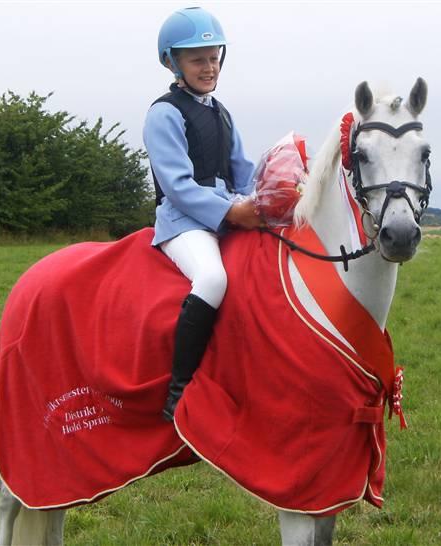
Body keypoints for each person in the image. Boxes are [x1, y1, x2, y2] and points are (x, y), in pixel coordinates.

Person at [143, 7, 262, 422]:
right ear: (172, 62)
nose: (208, 67)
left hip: (229, 213)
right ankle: (179, 391)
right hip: (183, 223)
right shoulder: (164, 113)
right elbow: (177, 185)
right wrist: (232, 211)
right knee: (213, 278)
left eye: (214, 57)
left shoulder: (221, 112)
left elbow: (244, 172)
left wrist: (272, 197)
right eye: (197, 59)